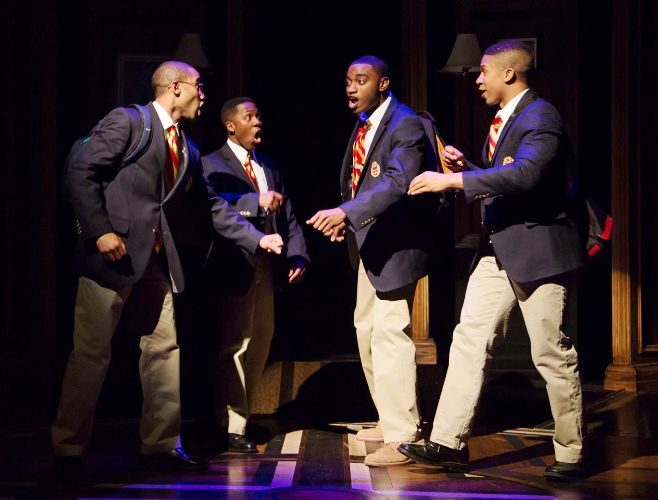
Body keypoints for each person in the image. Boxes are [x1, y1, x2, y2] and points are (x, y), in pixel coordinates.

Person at [52, 61, 284, 479]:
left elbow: (212, 206)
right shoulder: (129, 121)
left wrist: (257, 238)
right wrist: (99, 231)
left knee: (163, 350)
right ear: (175, 88)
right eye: (199, 87)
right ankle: (67, 449)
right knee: (91, 353)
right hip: (110, 256)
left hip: (155, 262)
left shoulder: (189, 148)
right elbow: (81, 170)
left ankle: (160, 445)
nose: (204, 95)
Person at [397, 40, 586, 482]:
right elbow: (505, 172)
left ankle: (573, 453)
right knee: (469, 338)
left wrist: (455, 178)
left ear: (508, 74)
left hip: (538, 252)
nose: (477, 79)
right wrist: (472, 165)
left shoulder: (542, 115)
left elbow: (527, 175)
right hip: (498, 249)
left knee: (550, 352)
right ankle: (448, 441)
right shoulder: (505, 120)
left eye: (483, 71)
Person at [307, 55, 439, 467]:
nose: (351, 88)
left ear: (383, 84)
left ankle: (403, 434)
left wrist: (346, 212)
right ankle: (388, 416)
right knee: (366, 331)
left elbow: (397, 181)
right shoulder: (365, 126)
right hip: (371, 244)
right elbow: (361, 181)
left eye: (360, 80)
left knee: (389, 334)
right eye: (347, 81)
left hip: (397, 245)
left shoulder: (405, 123)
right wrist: (350, 220)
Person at [201, 97, 309, 453]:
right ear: (231, 125)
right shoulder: (211, 163)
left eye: (259, 116)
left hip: (267, 266)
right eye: (250, 117)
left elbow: (288, 213)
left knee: (262, 338)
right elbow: (217, 205)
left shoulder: (268, 164)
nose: (258, 122)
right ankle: (230, 423)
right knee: (237, 343)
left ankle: (241, 415)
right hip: (236, 265)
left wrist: (297, 254)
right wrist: (254, 203)